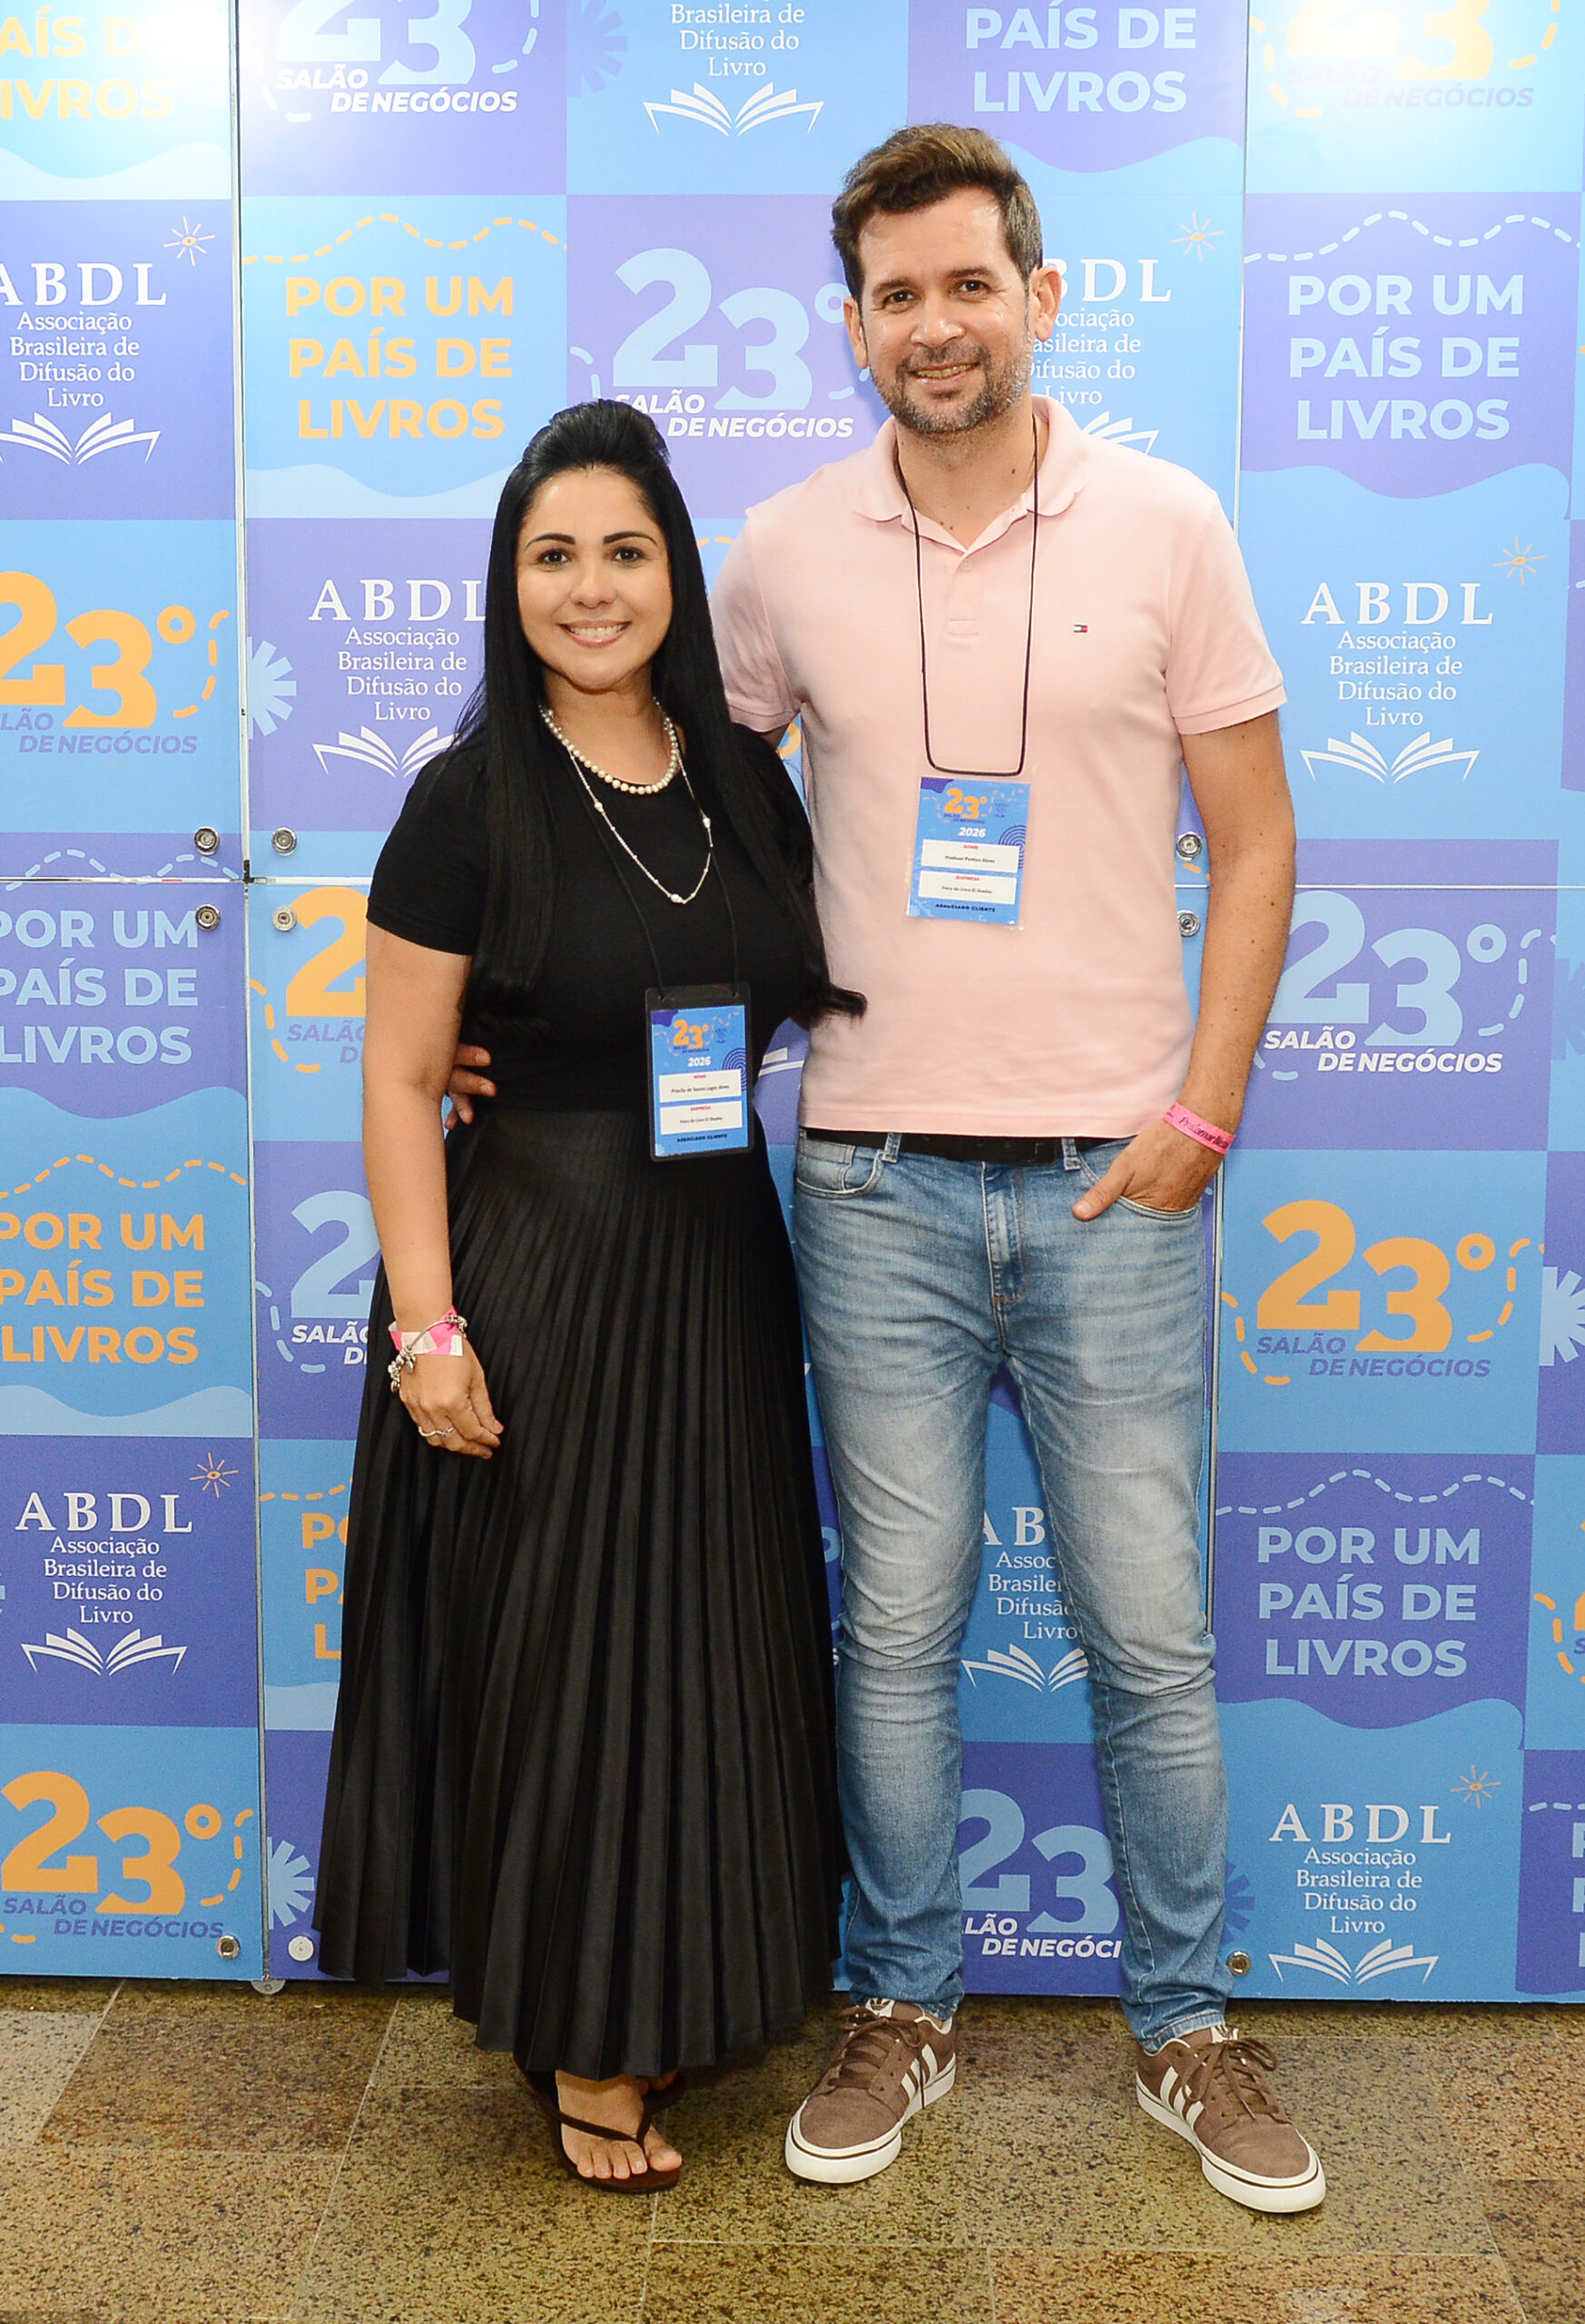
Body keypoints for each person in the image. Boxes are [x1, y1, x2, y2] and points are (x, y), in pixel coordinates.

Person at [448, 128, 1320, 2213]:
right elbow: (655, 791)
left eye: (966, 284)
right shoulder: (776, 554)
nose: (935, 324)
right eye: (895, 294)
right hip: (867, 1184)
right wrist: (517, 1018)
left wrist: (1200, 1113)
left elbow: (1258, 837)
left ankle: (1187, 2025)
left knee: (1150, 1635)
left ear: (1040, 297)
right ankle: (901, 2000)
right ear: (852, 327)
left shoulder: (1172, 525)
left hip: (1118, 1182)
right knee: (897, 1630)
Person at [313, 399, 850, 2193]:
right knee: (562, 1665)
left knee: (704, 1653)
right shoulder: (467, 798)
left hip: (716, 1268)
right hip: (538, 1271)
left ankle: (675, 1980)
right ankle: (582, 2035)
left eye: (625, 550)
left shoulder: (739, 776)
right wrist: (428, 1328)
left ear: (675, 571)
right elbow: (402, 1076)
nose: (592, 586)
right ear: (509, 580)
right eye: (554, 555)